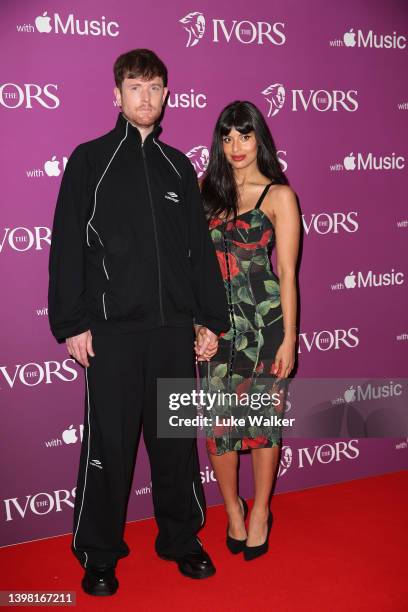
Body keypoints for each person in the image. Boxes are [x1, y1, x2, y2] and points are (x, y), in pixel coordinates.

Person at [48, 48, 228, 596]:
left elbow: (195, 251)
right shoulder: (89, 161)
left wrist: (208, 319)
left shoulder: (180, 167)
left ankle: (180, 538)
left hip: (173, 333)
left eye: (154, 87)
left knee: (175, 446)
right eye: (134, 87)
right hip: (113, 336)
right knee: (109, 448)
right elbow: (66, 250)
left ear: (166, 94)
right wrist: (73, 322)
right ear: (117, 95)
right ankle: (99, 552)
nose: (145, 97)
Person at [199, 100, 300, 561]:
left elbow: (287, 274)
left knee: (261, 426)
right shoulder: (207, 194)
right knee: (219, 429)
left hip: (265, 329)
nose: (236, 146)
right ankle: (233, 510)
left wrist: (290, 339)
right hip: (218, 333)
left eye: (244, 135)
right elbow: (192, 271)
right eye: (227, 137)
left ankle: (260, 510)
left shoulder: (279, 195)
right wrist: (198, 326)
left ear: (259, 137)